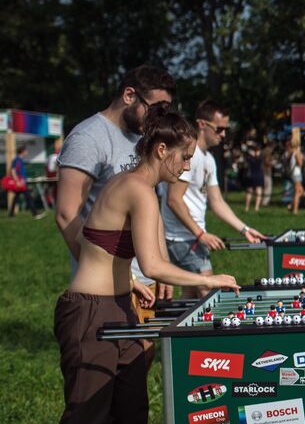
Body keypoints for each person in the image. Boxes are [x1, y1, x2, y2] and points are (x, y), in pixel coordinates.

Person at [40, 109, 239, 424]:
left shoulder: (134, 185)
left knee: (131, 405)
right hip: (89, 311)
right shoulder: (138, 189)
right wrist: (210, 280)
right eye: (184, 157)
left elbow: (107, 247)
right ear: (162, 150)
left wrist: (129, 285)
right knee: (85, 417)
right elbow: (154, 263)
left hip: (119, 306)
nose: (188, 166)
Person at [55, 65, 176, 271]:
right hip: (106, 283)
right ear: (129, 95)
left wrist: (163, 263)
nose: (159, 120)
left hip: (147, 276)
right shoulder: (87, 138)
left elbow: (151, 204)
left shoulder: (144, 138)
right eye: (155, 110)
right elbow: (67, 215)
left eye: (164, 112)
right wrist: (105, 274)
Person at [159, 100, 266, 298]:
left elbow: (216, 202)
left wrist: (245, 229)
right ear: (202, 124)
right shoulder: (187, 155)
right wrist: (201, 234)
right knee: (209, 292)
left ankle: (178, 329)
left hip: (191, 235)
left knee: (190, 297)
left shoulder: (208, 159)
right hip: (182, 237)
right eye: (220, 129)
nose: (223, 134)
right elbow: (173, 200)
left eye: (226, 129)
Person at [6, 143, 30, 216]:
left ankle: (11, 213)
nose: (27, 153)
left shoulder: (20, 160)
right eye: (26, 151)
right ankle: (35, 213)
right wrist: (17, 181)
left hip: (21, 182)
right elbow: (13, 171)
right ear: (22, 151)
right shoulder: (17, 160)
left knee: (16, 198)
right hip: (20, 183)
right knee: (28, 197)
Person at [286, 139, 305, 215]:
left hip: (294, 174)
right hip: (297, 174)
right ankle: (294, 210)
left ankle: (291, 206)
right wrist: (302, 159)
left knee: (300, 191)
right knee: (297, 192)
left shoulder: (291, 153)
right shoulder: (296, 153)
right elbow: (300, 163)